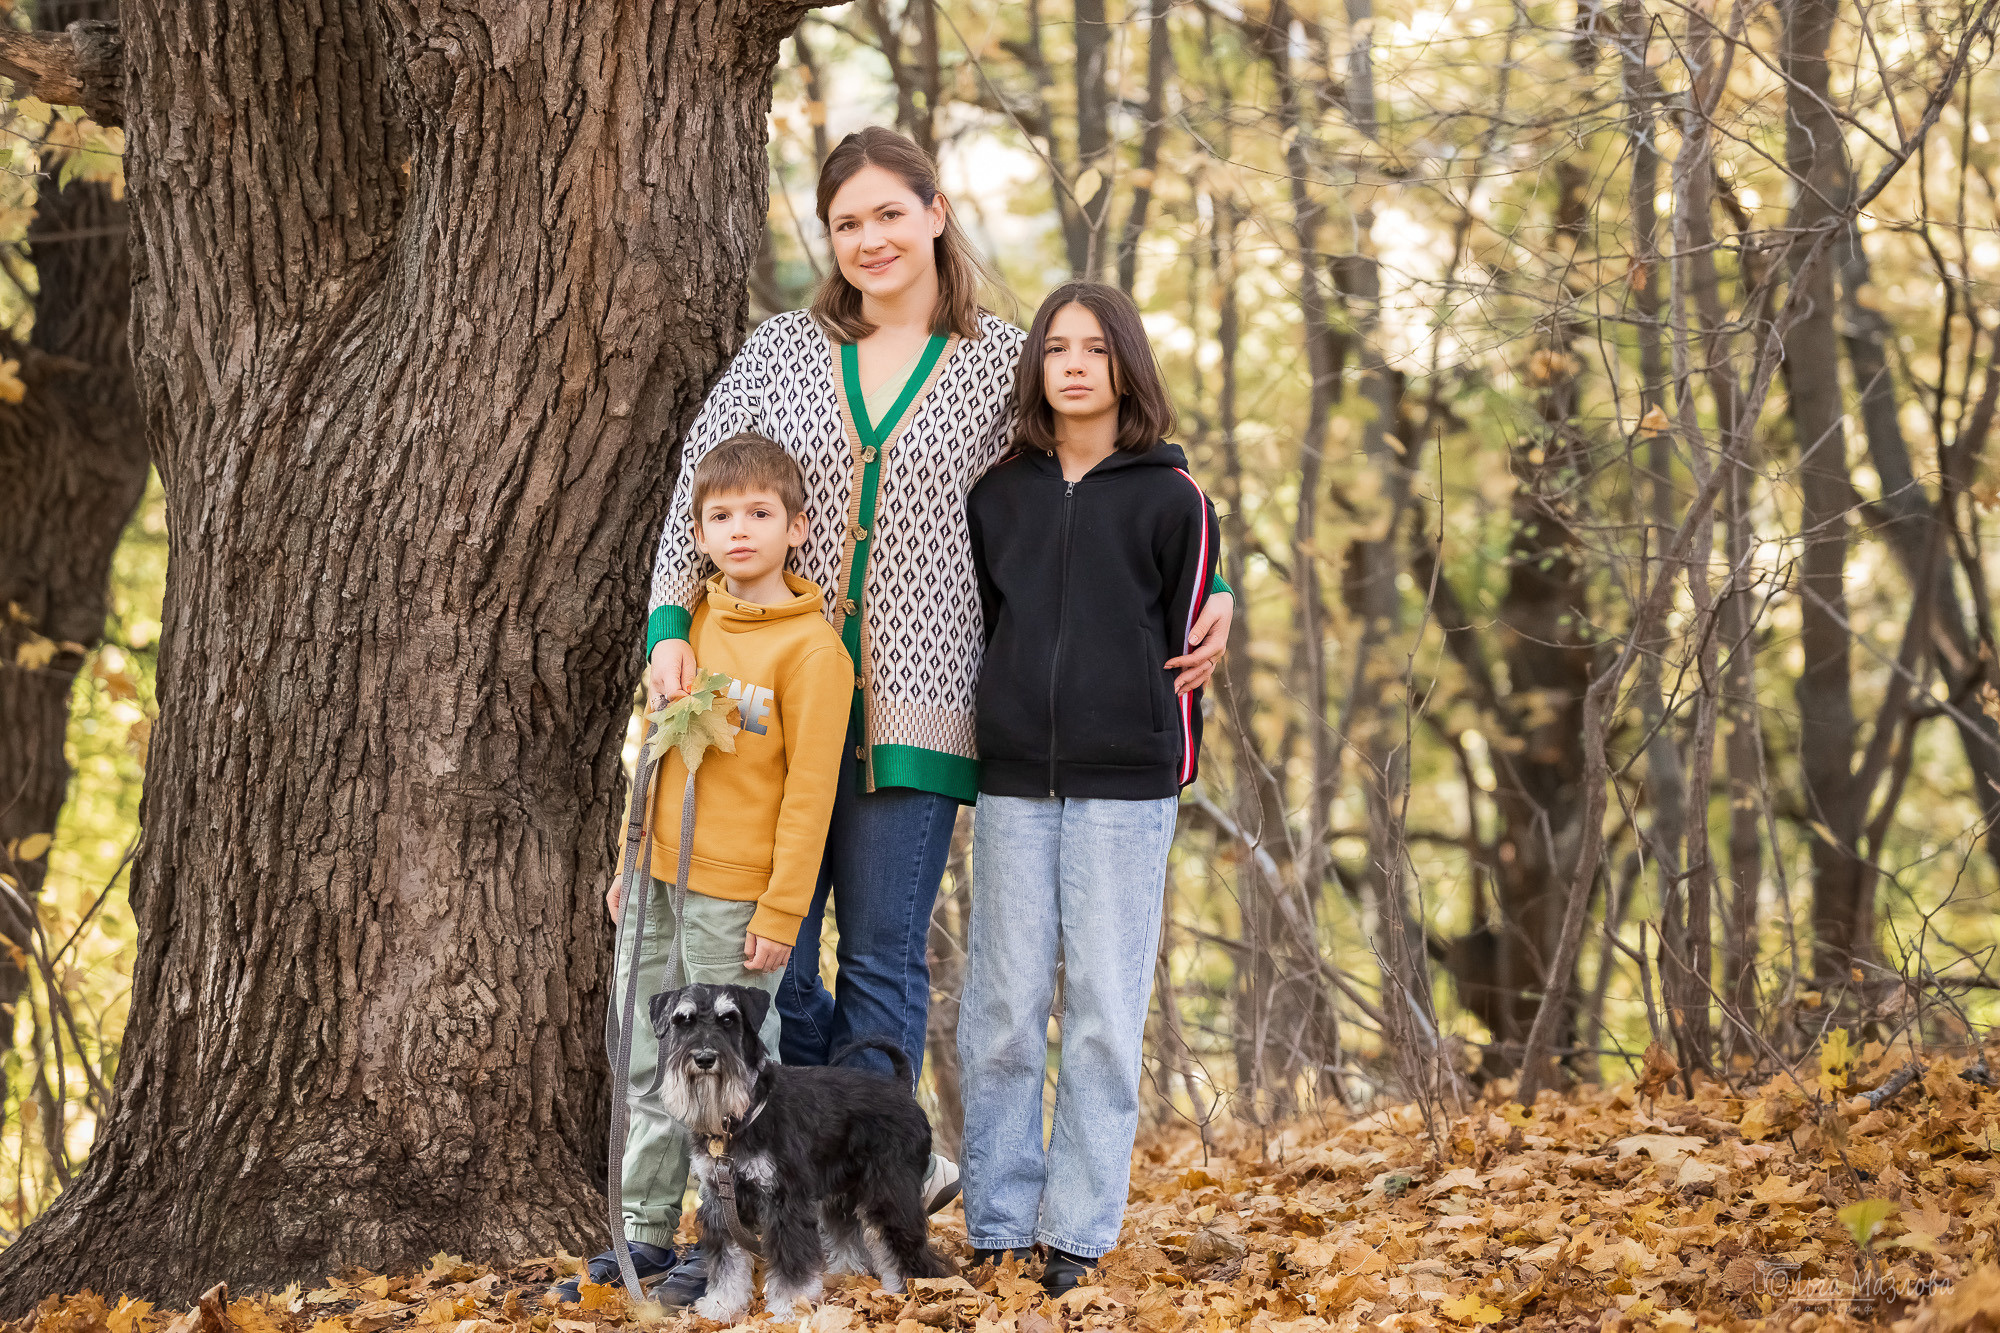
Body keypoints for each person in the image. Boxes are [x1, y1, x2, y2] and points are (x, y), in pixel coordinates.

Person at [645, 127, 1234, 1298]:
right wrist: (670, 626)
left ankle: (869, 1220)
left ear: (934, 213)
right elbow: (693, 494)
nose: (866, 240)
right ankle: (776, 1197)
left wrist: (1212, 583)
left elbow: (1108, 478)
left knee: (879, 965)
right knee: (773, 965)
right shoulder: (777, 352)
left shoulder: (996, 364)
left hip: (921, 713)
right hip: (766, 715)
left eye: (885, 215)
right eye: (843, 223)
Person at [958, 282, 1222, 1296]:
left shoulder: (1173, 499)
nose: (1073, 364)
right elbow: (983, 621)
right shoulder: (998, 494)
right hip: (1016, 779)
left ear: (1125, 367)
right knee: (1002, 1008)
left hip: (1124, 786)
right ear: (1036, 369)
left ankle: (1076, 1232)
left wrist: (1166, 757)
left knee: (1106, 1008)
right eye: (1056, 348)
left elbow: (1192, 637)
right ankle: (996, 1219)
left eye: (1094, 349)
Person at [556, 434, 852, 1302]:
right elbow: (653, 753)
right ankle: (644, 1229)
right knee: (649, 1053)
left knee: (721, 1074)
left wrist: (784, 909)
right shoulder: (687, 631)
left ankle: (715, 1236)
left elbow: (810, 796)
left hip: (736, 890)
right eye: (720, 516)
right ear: (699, 530)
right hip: (656, 878)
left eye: (759, 513)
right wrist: (628, 857)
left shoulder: (812, 653)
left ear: (797, 528)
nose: (739, 530)